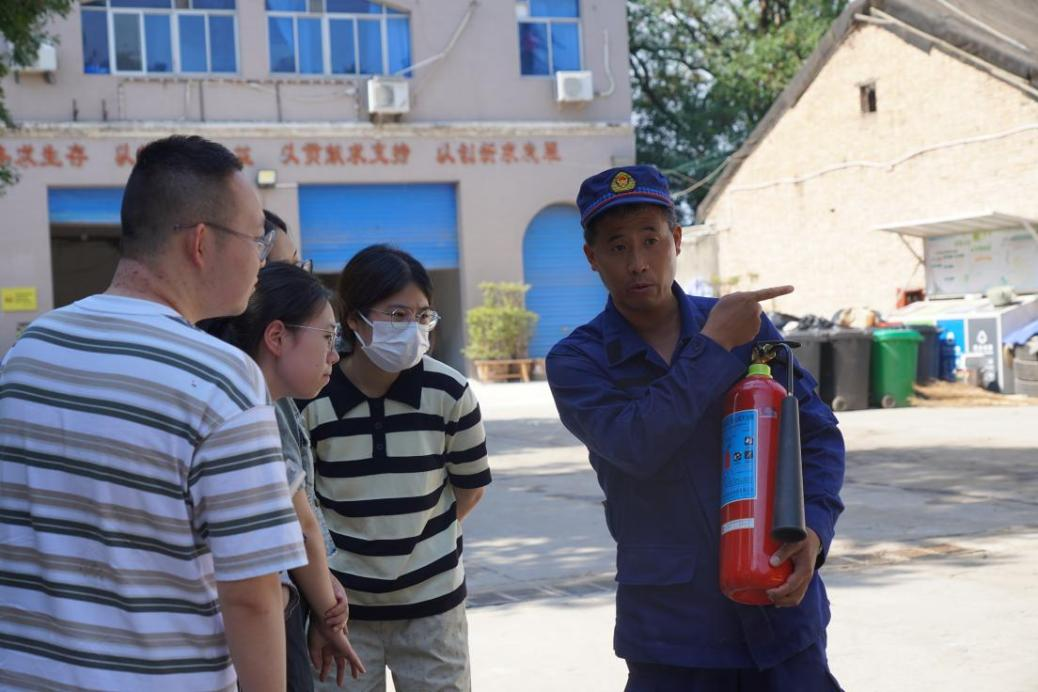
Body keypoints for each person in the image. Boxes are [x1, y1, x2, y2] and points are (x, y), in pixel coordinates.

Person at [0, 135, 306, 691]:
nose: (262, 259)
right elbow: (252, 595)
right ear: (200, 242)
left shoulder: (28, 352)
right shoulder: (222, 379)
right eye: (256, 238)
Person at [545, 165, 846, 691]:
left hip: (780, 609)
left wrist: (815, 529)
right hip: (676, 634)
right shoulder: (578, 360)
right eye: (617, 247)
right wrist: (712, 346)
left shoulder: (746, 326)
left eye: (651, 240)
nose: (638, 263)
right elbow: (636, 444)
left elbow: (815, 435)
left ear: (677, 239)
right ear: (592, 257)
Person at [300, 244, 491, 692]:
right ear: (354, 319)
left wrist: (416, 545)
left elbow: (470, 489)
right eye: (397, 315)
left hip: (433, 610)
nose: (412, 329)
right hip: (340, 614)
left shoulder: (450, 391)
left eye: (422, 316)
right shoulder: (312, 397)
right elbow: (304, 506)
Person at [202, 263, 365, 689]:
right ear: (276, 337)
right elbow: (303, 525)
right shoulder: (248, 412)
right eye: (327, 337)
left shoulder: (256, 400)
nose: (335, 354)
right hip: (261, 612)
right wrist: (329, 611)